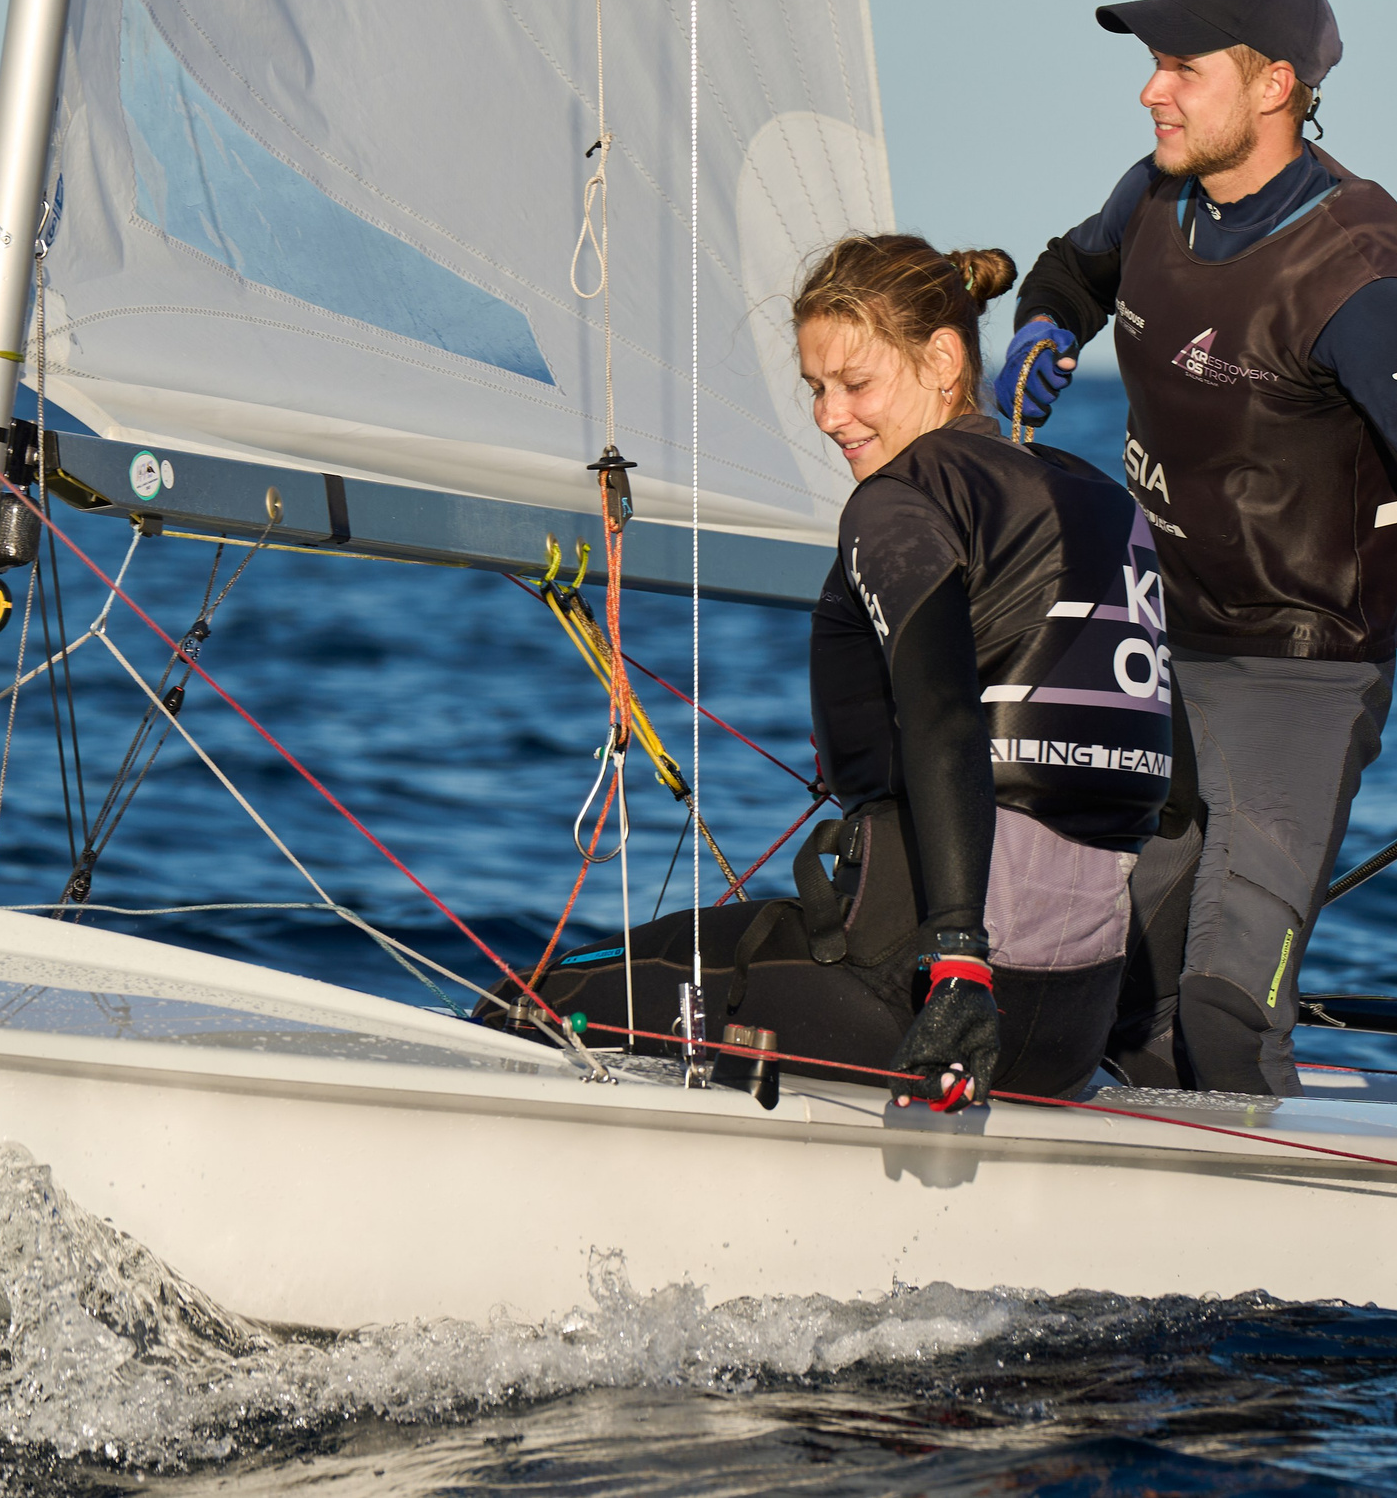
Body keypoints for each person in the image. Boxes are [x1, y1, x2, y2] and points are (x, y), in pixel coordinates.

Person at [1000, 0, 1397, 1098]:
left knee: (1229, 1020)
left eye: (1182, 67)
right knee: (1106, 1007)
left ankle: (1285, 1273)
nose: (1153, 90)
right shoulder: (1152, 194)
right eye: (1151, 64)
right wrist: (1045, 328)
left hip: (1297, 672)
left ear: (1276, 85)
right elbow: (1073, 267)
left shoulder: (1360, 279)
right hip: (1150, 649)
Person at [486, 235, 1173, 1108]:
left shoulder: (899, 499)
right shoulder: (1106, 503)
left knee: (538, 997)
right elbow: (1169, 794)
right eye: (815, 388)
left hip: (923, 1005)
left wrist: (960, 964)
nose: (827, 415)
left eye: (856, 384)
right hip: (1072, 1028)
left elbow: (943, 717)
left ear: (943, 359)